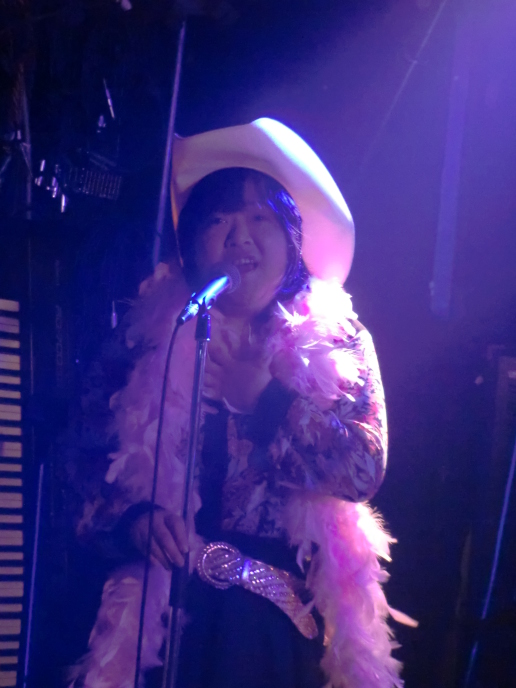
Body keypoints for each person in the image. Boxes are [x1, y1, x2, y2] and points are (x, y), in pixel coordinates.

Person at [68, 118, 403, 688]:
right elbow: (77, 463)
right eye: (219, 220)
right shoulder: (148, 334)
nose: (239, 238)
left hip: (267, 637)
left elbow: (363, 470)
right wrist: (131, 522)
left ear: (292, 239)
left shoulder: (340, 339)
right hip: (157, 625)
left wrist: (268, 402)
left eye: (260, 220)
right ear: (191, 244)